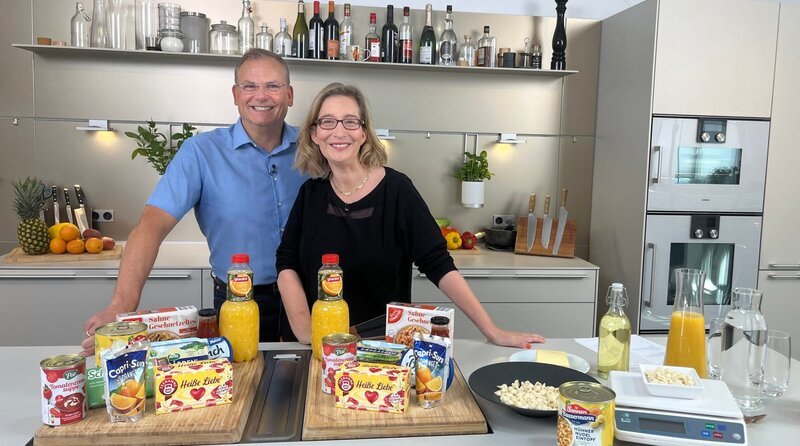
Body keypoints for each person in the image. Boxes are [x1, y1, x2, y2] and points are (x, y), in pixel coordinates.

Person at [275, 83, 545, 349]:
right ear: (314, 134)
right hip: (318, 347)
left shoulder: (397, 191)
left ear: (364, 133)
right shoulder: (311, 194)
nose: (339, 132)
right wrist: (303, 329)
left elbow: (437, 263)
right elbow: (287, 261)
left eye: (350, 122)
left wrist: (492, 330)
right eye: (327, 122)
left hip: (380, 348)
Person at [80, 49, 307, 356]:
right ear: (236, 94)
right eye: (250, 86)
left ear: (290, 95)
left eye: (273, 86)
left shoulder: (315, 148)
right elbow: (151, 226)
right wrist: (121, 305)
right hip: (237, 301)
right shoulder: (200, 152)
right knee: (237, 388)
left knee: (312, 390)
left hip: (312, 299)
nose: (261, 96)